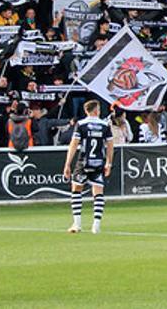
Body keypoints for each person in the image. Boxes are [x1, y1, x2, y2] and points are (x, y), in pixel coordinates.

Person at [63, 99, 114, 235]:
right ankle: (96, 225)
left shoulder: (81, 124)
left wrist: (67, 164)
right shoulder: (105, 125)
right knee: (98, 192)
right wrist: (109, 162)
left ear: (86, 111)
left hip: (84, 162)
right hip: (98, 162)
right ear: (96, 110)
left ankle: (77, 223)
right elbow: (110, 145)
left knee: (76, 190)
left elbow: (74, 145)